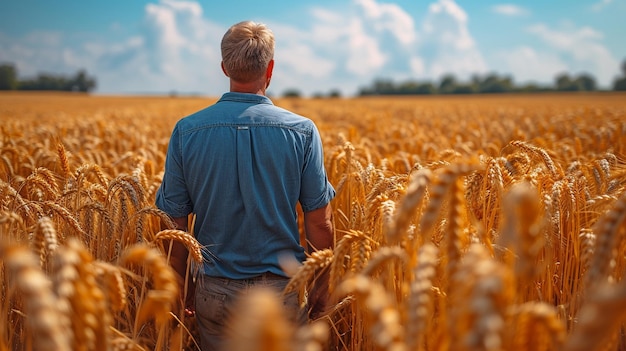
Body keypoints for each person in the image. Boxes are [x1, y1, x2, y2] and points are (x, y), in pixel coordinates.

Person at [155, 20, 335, 350]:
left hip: (215, 291)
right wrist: (322, 287)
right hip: (283, 292)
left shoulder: (187, 131)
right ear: (270, 68)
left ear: (224, 67)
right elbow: (319, 223)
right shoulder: (303, 131)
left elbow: (174, 225)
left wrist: (180, 287)